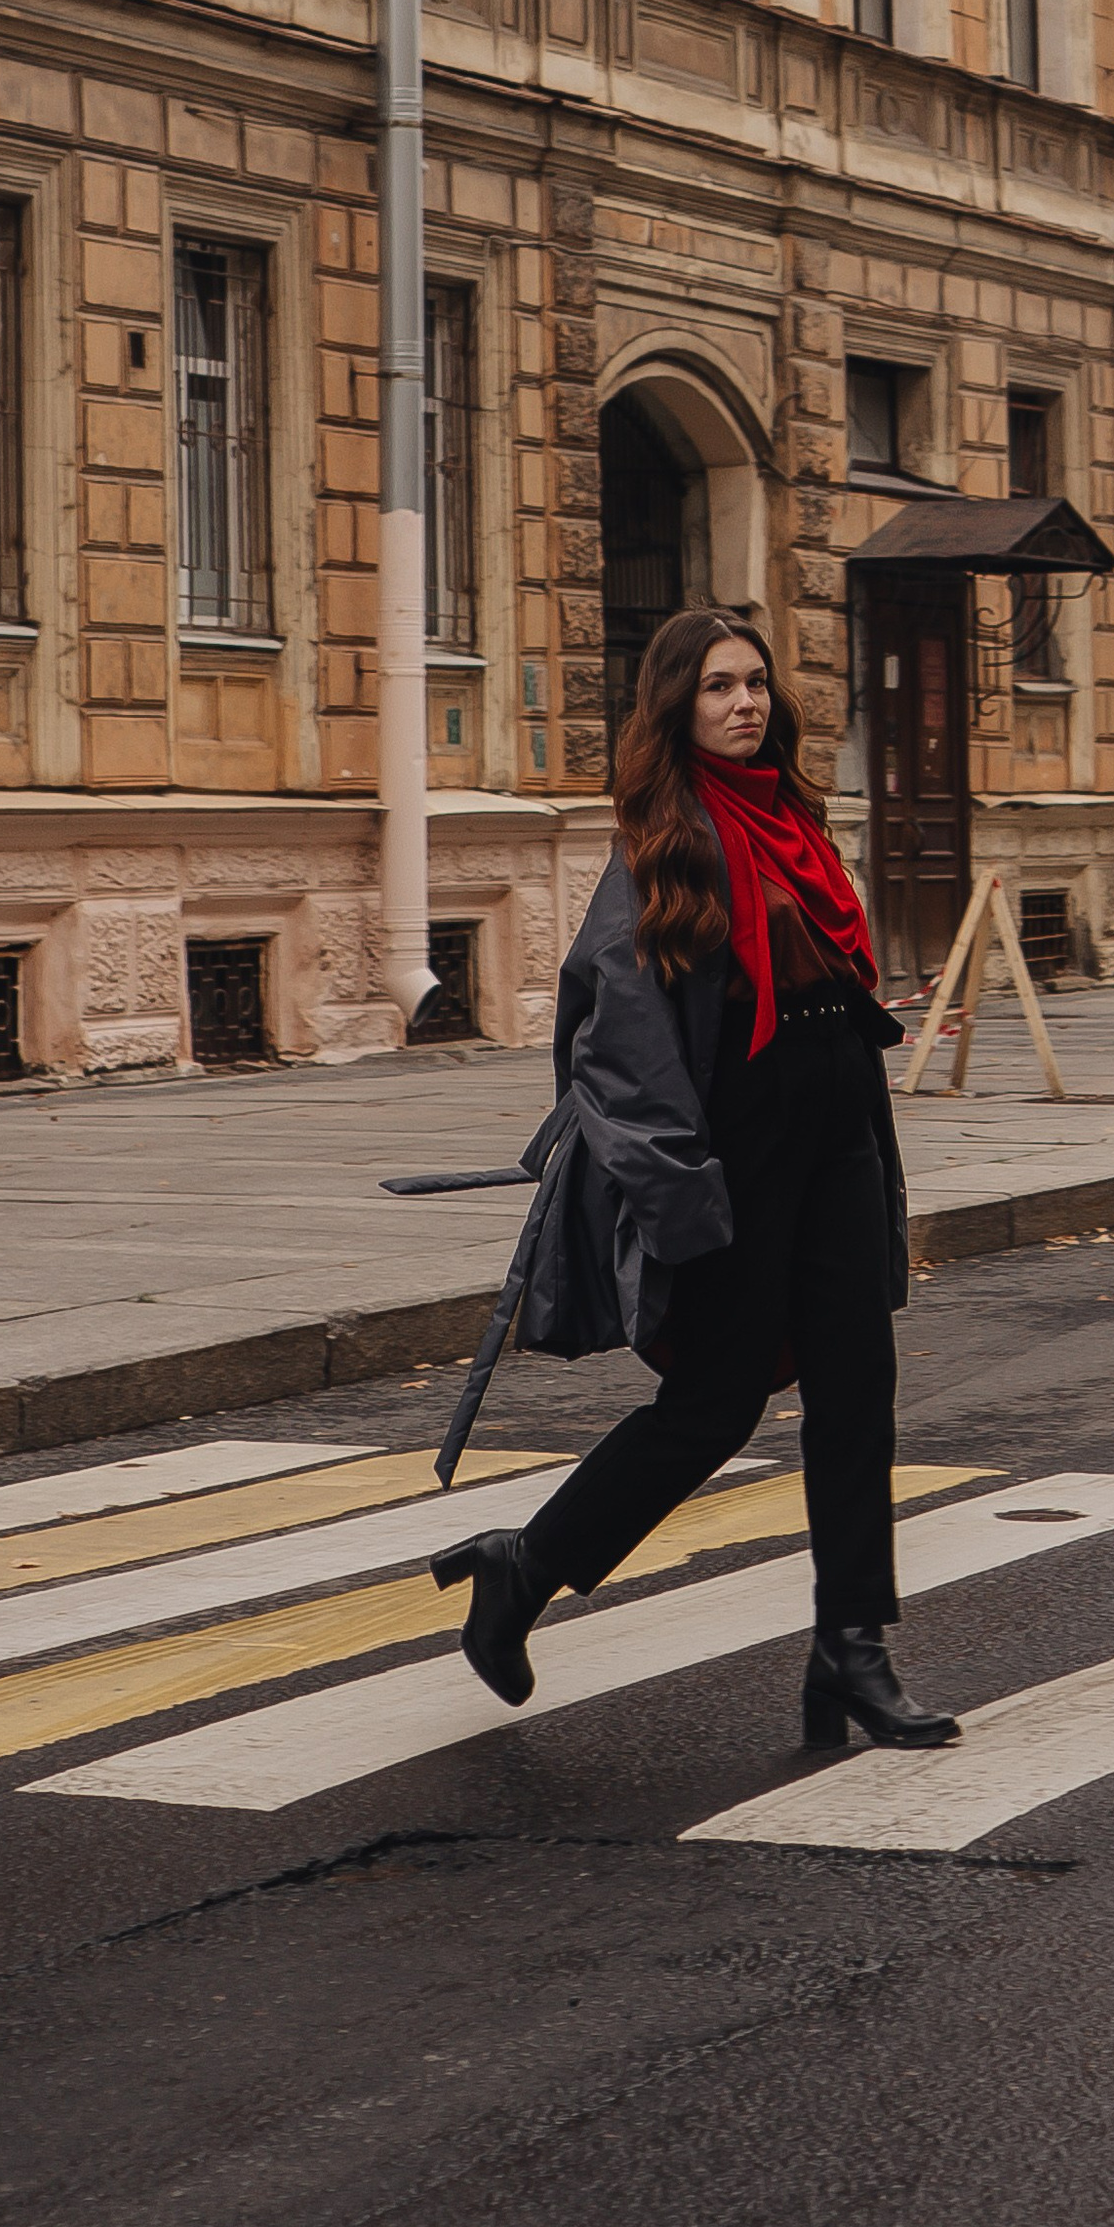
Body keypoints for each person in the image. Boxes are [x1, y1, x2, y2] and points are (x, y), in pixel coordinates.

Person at [429, 608, 959, 1756]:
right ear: (679, 707)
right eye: (718, 687)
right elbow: (613, 1040)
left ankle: (851, 1648)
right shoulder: (664, 843)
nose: (744, 704)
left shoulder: (798, 826)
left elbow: (840, 984)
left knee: (858, 1390)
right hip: (741, 1142)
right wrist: (679, 1193)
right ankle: (526, 1563)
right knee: (714, 1405)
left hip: (838, 1126)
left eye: (756, 684)